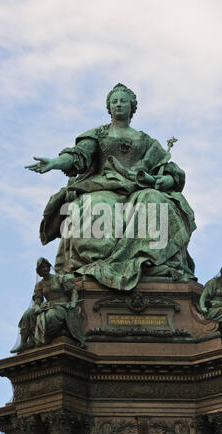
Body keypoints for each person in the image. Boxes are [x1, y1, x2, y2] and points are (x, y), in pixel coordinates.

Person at [25, 84, 196, 291]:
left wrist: (165, 181)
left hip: (137, 189)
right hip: (103, 186)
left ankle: (149, 261)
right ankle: (99, 264)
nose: (118, 105)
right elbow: (78, 155)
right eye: (114, 101)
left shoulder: (146, 141)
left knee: (155, 200)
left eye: (123, 101)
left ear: (132, 107)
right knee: (96, 205)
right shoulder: (98, 135)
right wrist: (55, 162)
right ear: (109, 107)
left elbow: (168, 171)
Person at [10, 258, 84, 353]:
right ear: (39, 272)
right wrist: (36, 306)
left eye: (46, 266)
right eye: (41, 268)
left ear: (49, 268)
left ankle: (44, 339)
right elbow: (38, 299)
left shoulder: (60, 278)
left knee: (51, 316)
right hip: (47, 306)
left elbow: (73, 292)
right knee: (27, 314)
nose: (44, 269)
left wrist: (73, 303)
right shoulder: (39, 285)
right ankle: (23, 343)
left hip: (62, 306)